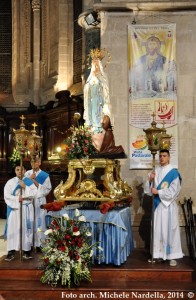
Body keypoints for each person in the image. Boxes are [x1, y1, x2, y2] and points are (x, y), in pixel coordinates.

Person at [144, 149, 183, 266]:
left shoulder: (174, 173)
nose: (161, 158)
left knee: (170, 230)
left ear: (169, 157)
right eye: (160, 156)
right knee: (157, 230)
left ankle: (172, 256)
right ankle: (158, 255)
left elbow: (173, 192)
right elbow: (148, 191)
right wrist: (150, 181)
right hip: (157, 206)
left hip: (168, 206)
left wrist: (158, 192)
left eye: (164, 156)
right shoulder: (155, 171)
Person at [4, 165, 37, 261]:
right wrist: (18, 198)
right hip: (16, 209)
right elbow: (7, 195)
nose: (19, 171)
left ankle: (26, 251)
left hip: (26, 208)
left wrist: (25, 187)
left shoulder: (29, 181)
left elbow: (34, 193)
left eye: (21, 169)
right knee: (13, 229)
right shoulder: (10, 182)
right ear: (15, 171)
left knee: (27, 230)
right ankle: (11, 252)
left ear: (25, 171)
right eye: (17, 170)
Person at [25, 157, 52, 249]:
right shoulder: (27, 173)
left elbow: (48, 189)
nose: (33, 163)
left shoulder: (44, 175)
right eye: (32, 161)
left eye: (35, 162)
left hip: (39, 200)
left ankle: (40, 243)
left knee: (40, 221)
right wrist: (29, 178)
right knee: (30, 220)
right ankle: (30, 243)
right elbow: (22, 185)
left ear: (39, 163)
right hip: (29, 200)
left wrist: (35, 181)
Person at [83, 54, 111, 133]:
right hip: (91, 101)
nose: (95, 65)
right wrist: (88, 85)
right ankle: (93, 128)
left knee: (99, 114)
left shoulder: (103, 75)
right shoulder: (91, 76)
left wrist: (99, 81)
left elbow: (106, 87)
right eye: (94, 63)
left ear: (99, 64)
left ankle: (99, 128)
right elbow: (86, 88)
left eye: (97, 63)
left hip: (99, 100)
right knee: (92, 113)